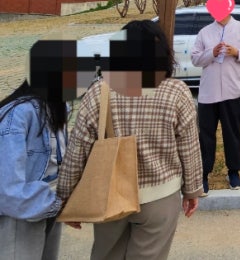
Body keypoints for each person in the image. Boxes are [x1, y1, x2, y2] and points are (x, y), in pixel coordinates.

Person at [58, 20, 202, 260]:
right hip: (160, 194)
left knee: (106, 255)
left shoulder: (100, 91)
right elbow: (189, 146)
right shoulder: (176, 91)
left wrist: (66, 195)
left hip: (110, 192)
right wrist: (192, 189)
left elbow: (78, 148)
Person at [0, 40, 74, 260]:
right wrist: (57, 203)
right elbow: (9, 190)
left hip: (47, 205)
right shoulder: (18, 115)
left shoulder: (58, 108)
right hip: (21, 214)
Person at [191, 0, 240, 193]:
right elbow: (195, 59)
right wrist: (211, 52)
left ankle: (233, 171)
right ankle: (203, 174)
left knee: (232, 134)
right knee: (205, 135)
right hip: (208, 93)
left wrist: (236, 53)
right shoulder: (204, 32)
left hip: (233, 91)